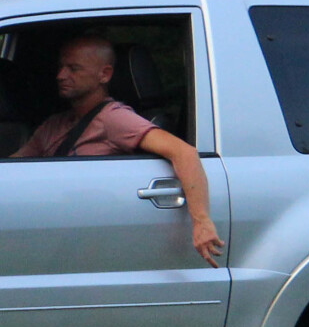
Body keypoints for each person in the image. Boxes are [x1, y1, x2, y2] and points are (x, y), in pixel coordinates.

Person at [12, 34, 224, 264]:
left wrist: (202, 222)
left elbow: (183, 152)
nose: (61, 75)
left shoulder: (114, 118)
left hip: (95, 235)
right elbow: (14, 164)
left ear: (104, 74)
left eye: (73, 69)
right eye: (61, 67)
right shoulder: (56, 123)